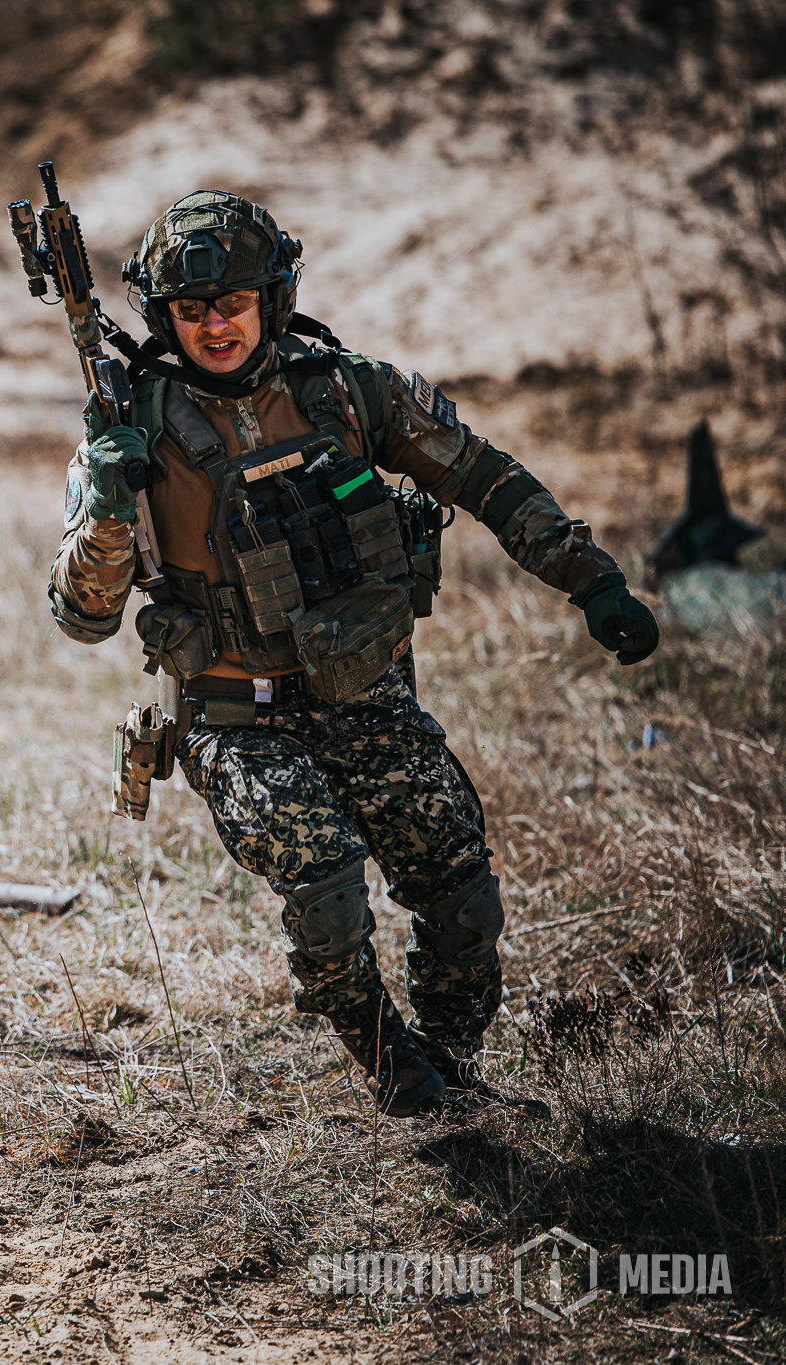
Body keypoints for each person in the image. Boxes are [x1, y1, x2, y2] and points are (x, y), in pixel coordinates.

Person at [49, 192, 658, 1118]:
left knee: (461, 896)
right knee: (327, 885)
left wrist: (592, 579)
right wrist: (104, 509)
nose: (215, 326)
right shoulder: (130, 432)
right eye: (191, 310)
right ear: (164, 318)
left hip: (365, 693)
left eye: (234, 303)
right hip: (235, 716)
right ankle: (387, 1057)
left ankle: (451, 1065)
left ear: (274, 299)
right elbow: (82, 618)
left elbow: (483, 475)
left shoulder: (347, 391)